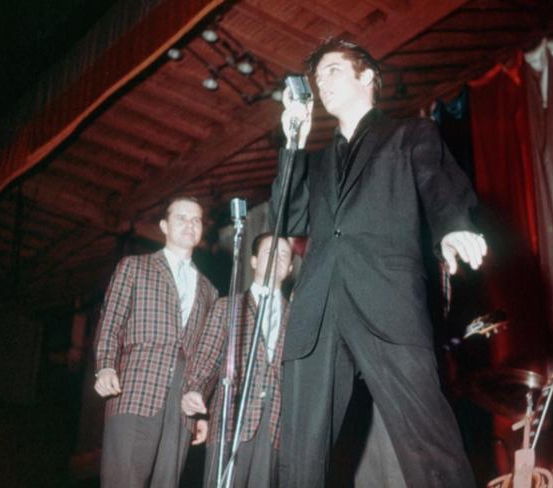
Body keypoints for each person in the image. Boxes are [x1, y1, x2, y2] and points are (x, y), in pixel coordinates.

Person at [270, 38, 487, 487]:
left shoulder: (408, 134)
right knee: (300, 452)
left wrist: (453, 226)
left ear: (367, 76)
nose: (321, 83)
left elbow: (438, 182)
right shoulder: (316, 162)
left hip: (387, 301)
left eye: (332, 70)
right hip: (318, 311)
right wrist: (293, 142)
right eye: (317, 77)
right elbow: (285, 218)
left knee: (429, 442)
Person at [93, 194, 218, 488]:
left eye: (196, 220)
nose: (190, 225)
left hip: (182, 406)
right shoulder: (134, 267)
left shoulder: (210, 291)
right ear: (164, 225)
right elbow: (110, 322)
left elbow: (206, 355)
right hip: (135, 390)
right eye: (181, 218)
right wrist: (106, 367)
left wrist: (202, 413)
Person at [181, 232, 293, 488]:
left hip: (276, 428)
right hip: (230, 422)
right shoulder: (226, 306)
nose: (276, 258)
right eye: (269, 252)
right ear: (253, 261)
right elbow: (206, 359)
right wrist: (195, 391)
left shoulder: (298, 317)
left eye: (284, 255)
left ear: (289, 268)